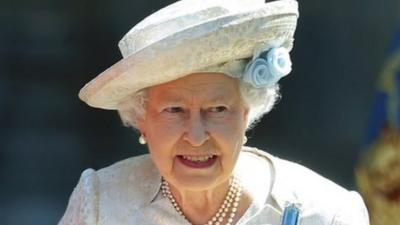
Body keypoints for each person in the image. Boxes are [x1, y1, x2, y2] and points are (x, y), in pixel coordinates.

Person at [58, 0, 370, 224]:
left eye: (218, 109)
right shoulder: (100, 203)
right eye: (174, 110)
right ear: (142, 120)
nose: (196, 136)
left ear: (246, 113)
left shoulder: (328, 213)